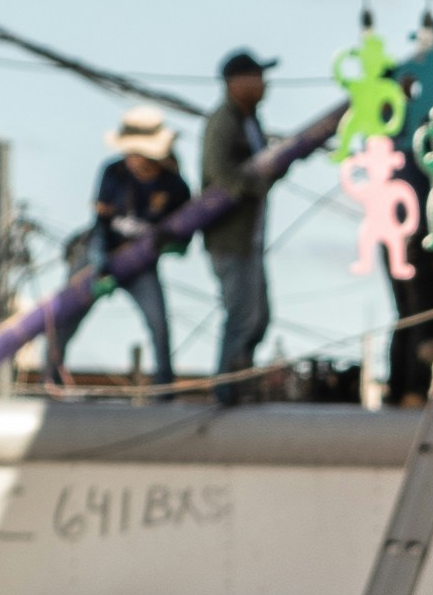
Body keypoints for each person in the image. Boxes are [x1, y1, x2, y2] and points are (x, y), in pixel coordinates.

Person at [47, 107, 190, 382]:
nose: (134, 159)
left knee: (159, 324)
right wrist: (101, 265)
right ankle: (50, 378)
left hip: (142, 264)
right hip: (100, 254)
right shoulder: (113, 172)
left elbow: (183, 229)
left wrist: (172, 241)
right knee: (67, 316)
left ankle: (164, 384)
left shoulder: (175, 186)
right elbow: (100, 224)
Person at [200, 50, 275, 377]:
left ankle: (239, 373)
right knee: (241, 315)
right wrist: (255, 183)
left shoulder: (251, 121)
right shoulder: (223, 121)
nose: (263, 84)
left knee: (259, 317)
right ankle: (226, 385)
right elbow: (220, 174)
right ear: (235, 83)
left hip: (251, 236)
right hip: (230, 237)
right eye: (256, 76)